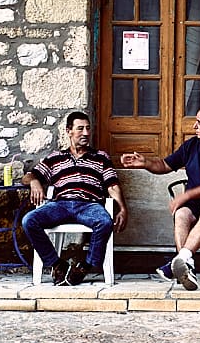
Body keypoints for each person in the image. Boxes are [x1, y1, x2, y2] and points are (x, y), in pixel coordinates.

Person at [121, 106, 200, 291]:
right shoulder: (192, 145)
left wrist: (185, 195)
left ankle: (178, 262)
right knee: (181, 213)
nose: (194, 126)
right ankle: (184, 266)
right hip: (196, 204)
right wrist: (145, 163)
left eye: (199, 123)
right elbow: (164, 165)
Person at [22, 111, 127, 285]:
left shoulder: (100, 157)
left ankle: (85, 267)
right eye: (80, 129)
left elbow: (112, 185)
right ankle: (56, 264)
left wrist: (122, 208)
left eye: (88, 128)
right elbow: (28, 176)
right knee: (29, 221)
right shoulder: (56, 158)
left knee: (105, 222)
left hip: (89, 205)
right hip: (60, 205)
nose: (86, 133)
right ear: (69, 131)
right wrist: (34, 182)